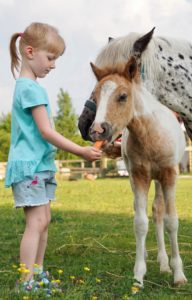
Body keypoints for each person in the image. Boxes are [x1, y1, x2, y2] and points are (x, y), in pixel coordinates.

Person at [5, 22, 102, 294]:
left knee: (43, 221)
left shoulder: (30, 86)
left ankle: (37, 275)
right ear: (30, 51)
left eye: (55, 59)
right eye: (50, 58)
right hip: (30, 166)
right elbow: (46, 132)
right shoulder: (30, 89)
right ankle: (25, 282)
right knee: (35, 223)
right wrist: (81, 151)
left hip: (40, 165)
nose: (53, 65)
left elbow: (45, 132)